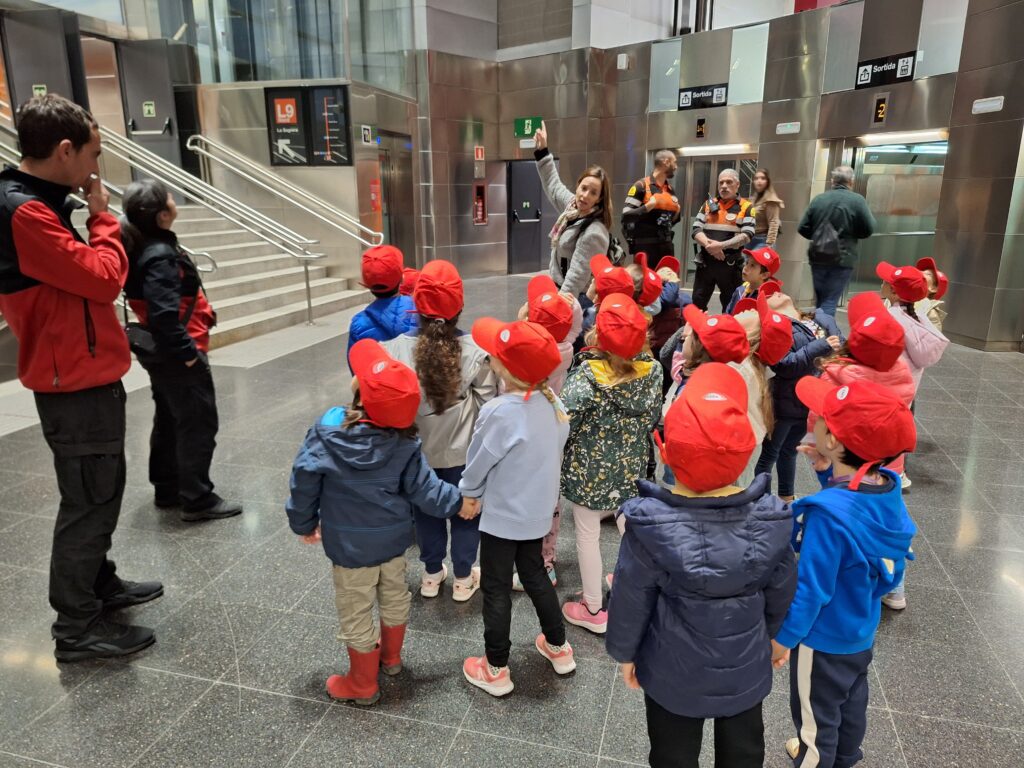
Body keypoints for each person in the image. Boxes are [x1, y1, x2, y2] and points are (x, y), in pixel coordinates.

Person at [0, 95, 161, 661]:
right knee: (89, 500)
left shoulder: (38, 203)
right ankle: (75, 627)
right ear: (65, 150)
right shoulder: (24, 211)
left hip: (84, 372)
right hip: (71, 381)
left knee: (102, 489)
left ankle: (99, 584)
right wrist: (100, 216)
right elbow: (103, 277)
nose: (97, 168)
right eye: (94, 154)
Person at [607, 363, 797, 768]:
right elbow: (782, 590)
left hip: (672, 671)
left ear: (666, 452)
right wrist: (776, 638)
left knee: (672, 754)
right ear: (745, 455)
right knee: (744, 752)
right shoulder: (773, 520)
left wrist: (625, 653)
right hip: (745, 667)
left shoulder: (649, 528)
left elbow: (630, 599)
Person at [286, 339, 466, 705]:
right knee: (395, 596)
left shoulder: (327, 432)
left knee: (356, 609)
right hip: (393, 543)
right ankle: (392, 658)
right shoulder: (405, 442)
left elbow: (303, 481)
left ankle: (362, 683)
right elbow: (428, 490)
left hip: (349, 548)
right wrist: (462, 502)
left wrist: (303, 523)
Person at [772, 377, 916, 768]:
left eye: (820, 418)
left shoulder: (826, 517)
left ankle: (814, 757)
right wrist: (827, 473)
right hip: (859, 630)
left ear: (833, 440)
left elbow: (812, 589)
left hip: (821, 640)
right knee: (851, 701)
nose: (813, 420)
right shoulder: (887, 488)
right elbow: (857, 509)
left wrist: (784, 639)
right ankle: (846, 757)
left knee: (814, 718)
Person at [459, 319, 575, 697]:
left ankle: (495, 667)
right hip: (538, 512)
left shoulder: (500, 411)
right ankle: (558, 646)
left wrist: (469, 493)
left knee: (495, 587)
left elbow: (479, 460)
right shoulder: (554, 403)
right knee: (535, 574)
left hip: (502, 518)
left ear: (504, 368)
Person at [122, 179, 242, 521]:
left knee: (169, 419)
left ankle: (167, 487)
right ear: (162, 215)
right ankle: (197, 498)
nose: (175, 200)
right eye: (170, 198)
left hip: (162, 356)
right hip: (178, 354)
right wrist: (189, 355)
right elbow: (164, 316)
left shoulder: (141, 245)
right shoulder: (159, 255)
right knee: (197, 424)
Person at [384, 260, 497, 601]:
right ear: (458, 307)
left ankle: (431, 575)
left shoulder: (394, 350)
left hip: (417, 455)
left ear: (416, 305)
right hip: (463, 454)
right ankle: (463, 578)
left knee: (426, 513)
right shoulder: (476, 353)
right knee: (467, 513)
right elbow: (488, 406)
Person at [560, 295, 662, 634]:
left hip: (588, 473)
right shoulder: (654, 371)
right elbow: (652, 417)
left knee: (588, 535)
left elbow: (564, 421)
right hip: (631, 466)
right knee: (629, 526)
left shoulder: (585, 378)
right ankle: (637, 585)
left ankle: (592, 607)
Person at [512, 274, 582, 589]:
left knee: (524, 493)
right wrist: (569, 304)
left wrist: (523, 319)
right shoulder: (566, 348)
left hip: (526, 432)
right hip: (555, 431)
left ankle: (520, 555)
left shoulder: (528, 353)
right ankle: (546, 560)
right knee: (551, 498)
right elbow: (574, 324)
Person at [754, 287, 843, 501]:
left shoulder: (816, 317)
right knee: (770, 455)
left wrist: (832, 337)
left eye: (776, 291)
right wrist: (821, 345)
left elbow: (840, 342)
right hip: (785, 403)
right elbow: (785, 364)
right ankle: (761, 501)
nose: (776, 293)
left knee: (790, 451)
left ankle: (786, 498)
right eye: (769, 296)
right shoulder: (776, 329)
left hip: (810, 402)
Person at [533, 120, 612, 298]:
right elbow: (553, 186)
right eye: (583, 188)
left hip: (575, 297)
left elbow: (577, 276)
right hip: (558, 288)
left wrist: (560, 304)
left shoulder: (594, 232)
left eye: (593, 193)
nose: (585, 195)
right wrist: (543, 150)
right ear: (578, 186)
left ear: (599, 198)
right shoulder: (572, 208)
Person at [798, 166, 875, 317]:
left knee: (821, 300)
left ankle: (819, 328)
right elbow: (869, 228)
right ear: (851, 182)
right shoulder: (857, 201)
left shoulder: (819, 199)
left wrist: (818, 236)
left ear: (832, 181)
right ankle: (825, 329)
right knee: (830, 301)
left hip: (818, 257)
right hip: (843, 259)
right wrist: (852, 234)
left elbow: (802, 227)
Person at [877, 262, 949, 394]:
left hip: (885, 390)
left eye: (887, 281)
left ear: (893, 291)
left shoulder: (890, 319)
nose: (883, 282)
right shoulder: (918, 318)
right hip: (906, 390)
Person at [691, 169, 755, 313]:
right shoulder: (708, 204)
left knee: (731, 306)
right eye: (721, 183)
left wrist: (721, 245)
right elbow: (696, 230)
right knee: (697, 303)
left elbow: (747, 235)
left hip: (730, 266)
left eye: (729, 182)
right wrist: (710, 247)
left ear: (737, 185)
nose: (724, 186)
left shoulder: (747, 207)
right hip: (706, 264)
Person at [346, 244, 416, 356]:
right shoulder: (421, 313)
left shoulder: (358, 325)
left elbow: (356, 363)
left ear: (367, 284)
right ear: (402, 279)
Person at [621, 149, 681, 261]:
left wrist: (677, 212)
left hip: (666, 250)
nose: (676, 166)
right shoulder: (641, 186)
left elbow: (670, 222)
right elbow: (626, 217)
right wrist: (649, 206)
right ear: (666, 162)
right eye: (674, 162)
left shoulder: (670, 190)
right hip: (645, 251)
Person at [724, 246, 781, 315]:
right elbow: (728, 314)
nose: (745, 268)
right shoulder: (740, 290)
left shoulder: (766, 300)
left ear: (764, 275)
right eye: (747, 263)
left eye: (752, 265)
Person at [749, 167, 785, 250]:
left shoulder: (770, 200)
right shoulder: (753, 199)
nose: (759, 181)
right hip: (750, 238)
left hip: (763, 239)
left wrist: (769, 244)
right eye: (756, 178)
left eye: (763, 178)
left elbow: (773, 222)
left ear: (767, 182)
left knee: (756, 259)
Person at [914, 256, 948, 331]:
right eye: (922, 271)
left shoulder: (931, 314)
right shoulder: (898, 296)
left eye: (928, 274)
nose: (920, 272)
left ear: (933, 289)